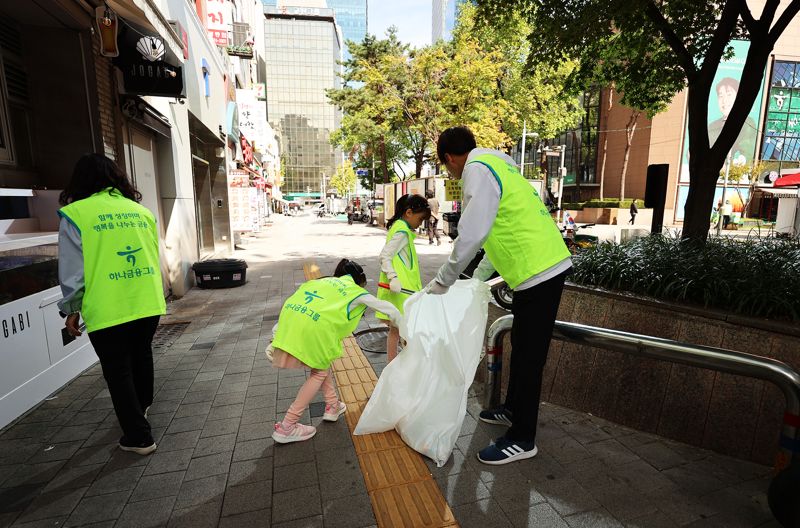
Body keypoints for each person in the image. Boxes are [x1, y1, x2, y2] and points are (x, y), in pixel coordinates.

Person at [428, 126, 572, 465]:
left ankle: (523, 438)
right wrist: (478, 278)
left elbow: (472, 234)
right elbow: (497, 229)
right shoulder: (500, 164)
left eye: (447, 167)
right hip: (535, 271)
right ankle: (512, 410)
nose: (451, 173)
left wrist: (443, 280)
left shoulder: (476, 171)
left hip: (540, 271)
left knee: (529, 356)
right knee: (521, 345)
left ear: (449, 158)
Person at [58, 153, 166, 456]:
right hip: (147, 302)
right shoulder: (139, 211)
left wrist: (71, 309)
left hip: (108, 307)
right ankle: (141, 409)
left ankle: (139, 437)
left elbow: (73, 271)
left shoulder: (76, 214)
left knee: (117, 370)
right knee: (141, 356)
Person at [270, 259, 401, 443]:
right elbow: (390, 309)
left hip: (290, 324)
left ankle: (332, 406)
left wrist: (276, 333)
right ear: (358, 279)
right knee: (318, 373)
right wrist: (404, 327)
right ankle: (287, 426)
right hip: (316, 332)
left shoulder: (319, 282)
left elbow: (296, 303)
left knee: (321, 367)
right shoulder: (356, 291)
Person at [377, 194, 431, 362]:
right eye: (420, 219)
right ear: (409, 213)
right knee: (407, 330)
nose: (420, 223)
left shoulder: (399, 228)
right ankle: (408, 366)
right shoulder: (401, 231)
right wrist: (393, 277)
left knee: (396, 331)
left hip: (400, 290)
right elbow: (385, 256)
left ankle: (391, 366)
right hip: (402, 292)